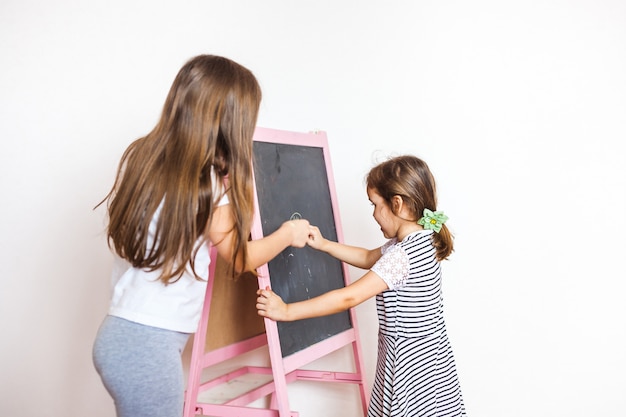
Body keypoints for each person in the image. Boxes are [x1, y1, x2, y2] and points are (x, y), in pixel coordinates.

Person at [92, 55, 311, 417]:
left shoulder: (145, 159)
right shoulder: (208, 184)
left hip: (121, 332)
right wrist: (288, 232)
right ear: (230, 123)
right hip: (149, 344)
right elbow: (240, 257)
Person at [256, 155, 466, 417]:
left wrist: (286, 310)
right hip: (431, 361)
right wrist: (324, 244)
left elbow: (349, 298)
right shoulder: (422, 242)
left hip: (406, 365)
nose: (374, 214)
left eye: (375, 204)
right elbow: (368, 257)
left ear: (397, 204)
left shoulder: (402, 256)